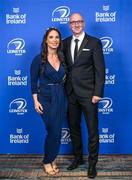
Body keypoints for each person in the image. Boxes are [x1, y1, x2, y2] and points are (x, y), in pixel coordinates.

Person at [63, 13, 105, 178]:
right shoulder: (65, 43)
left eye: (79, 21)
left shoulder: (94, 42)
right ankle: (78, 158)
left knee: (92, 131)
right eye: (73, 22)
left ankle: (92, 165)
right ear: (69, 25)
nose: (76, 24)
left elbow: (100, 70)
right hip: (71, 94)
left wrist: (97, 93)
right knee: (74, 129)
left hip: (89, 95)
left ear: (84, 23)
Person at [30, 27, 67, 175]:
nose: (54, 40)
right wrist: (35, 101)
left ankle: (52, 159)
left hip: (61, 96)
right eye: (51, 37)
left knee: (57, 131)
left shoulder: (62, 57)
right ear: (46, 40)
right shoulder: (38, 59)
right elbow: (33, 82)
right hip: (45, 97)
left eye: (57, 37)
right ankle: (47, 161)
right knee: (52, 130)